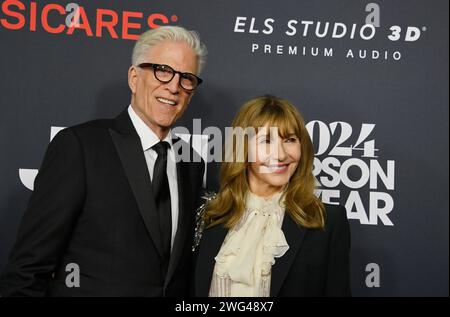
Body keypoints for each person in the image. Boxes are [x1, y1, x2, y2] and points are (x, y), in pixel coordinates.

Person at [0, 26, 207, 296]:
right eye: (162, 71)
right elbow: (27, 270)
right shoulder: (80, 146)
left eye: (186, 78)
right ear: (134, 78)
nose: (174, 86)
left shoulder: (192, 163)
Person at [194, 96, 351, 297]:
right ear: (243, 147)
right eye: (266, 140)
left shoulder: (327, 222)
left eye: (290, 140)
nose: (281, 154)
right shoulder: (209, 214)